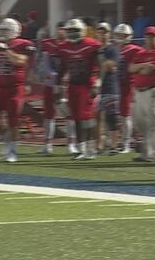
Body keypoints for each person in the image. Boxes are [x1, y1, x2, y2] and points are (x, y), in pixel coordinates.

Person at [0, 18, 35, 163]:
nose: (2, 33)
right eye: (1, 30)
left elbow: (20, 61)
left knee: (13, 120)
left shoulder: (23, 44)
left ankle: (12, 151)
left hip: (15, 88)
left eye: (5, 30)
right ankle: (6, 138)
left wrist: (6, 50)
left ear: (14, 31)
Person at [55, 19, 102, 160]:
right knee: (76, 119)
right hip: (72, 86)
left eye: (75, 30)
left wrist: (97, 84)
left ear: (82, 31)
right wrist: (57, 89)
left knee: (87, 119)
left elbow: (101, 66)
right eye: (69, 31)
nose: (72, 33)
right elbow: (61, 69)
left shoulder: (92, 45)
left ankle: (91, 148)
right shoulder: (63, 47)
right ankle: (81, 149)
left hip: (87, 86)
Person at [35, 22, 74, 154]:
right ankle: (47, 144)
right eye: (59, 29)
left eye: (63, 29)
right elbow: (41, 62)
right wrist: (44, 74)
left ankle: (71, 143)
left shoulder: (71, 45)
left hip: (65, 84)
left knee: (69, 113)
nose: (61, 31)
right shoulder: (47, 43)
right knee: (49, 113)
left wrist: (67, 77)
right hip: (50, 83)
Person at [131, 26, 155, 162]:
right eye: (148, 36)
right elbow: (131, 68)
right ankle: (146, 153)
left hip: (151, 90)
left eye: (152, 36)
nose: (150, 39)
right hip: (138, 91)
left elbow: (149, 71)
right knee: (140, 123)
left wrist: (140, 68)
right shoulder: (140, 53)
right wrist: (144, 65)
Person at [114, 23, 142, 154]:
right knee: (122, 115)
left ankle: (127, 142)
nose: (120, 37)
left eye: (123, 35)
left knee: (126, 115)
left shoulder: (134, 49)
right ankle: (124, 141)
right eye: (118, 35)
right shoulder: (115, 49)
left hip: (128, 85)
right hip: (117, 85)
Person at [96, 23, 121, 155]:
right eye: (100, 32)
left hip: (110, 86)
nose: (102, 35)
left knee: (112, 117)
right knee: (98, 117)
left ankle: (114, 145)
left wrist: (102, 68)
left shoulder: (112, 49)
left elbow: (110, 64)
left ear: (109, 34)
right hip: (98, 88)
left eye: (104, 32)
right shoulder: (96, 49)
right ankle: (99, 145)